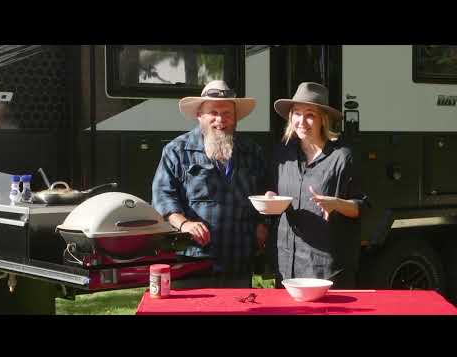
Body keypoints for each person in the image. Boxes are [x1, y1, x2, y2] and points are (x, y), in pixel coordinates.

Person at [152, 80, 267, 288]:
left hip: (239, 257)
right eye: (213, 112)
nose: (220, 119)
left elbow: (264, 194)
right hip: (194, 258)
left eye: (227, 113)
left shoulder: (252, 151)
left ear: (235, 117)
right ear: (199, 115)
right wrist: (184, 224)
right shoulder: (177, 150)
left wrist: (262, 224)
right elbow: (162, 196)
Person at [265, 82, 369, 289]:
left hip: (324, 267)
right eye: (296, 113)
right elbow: (273, 190)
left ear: (323, 119)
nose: (302, 121)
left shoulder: (342, 157)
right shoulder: (282, 154)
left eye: (310, 114)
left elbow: (363, 207)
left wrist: (336, 204)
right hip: (286, 263)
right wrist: (270, 197)